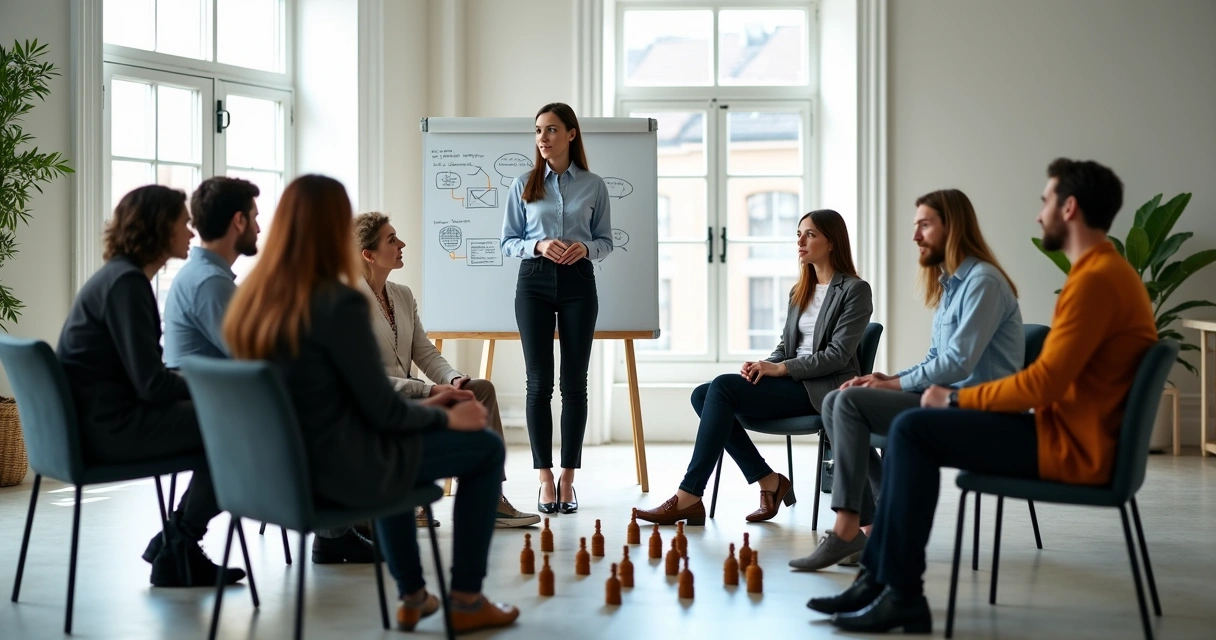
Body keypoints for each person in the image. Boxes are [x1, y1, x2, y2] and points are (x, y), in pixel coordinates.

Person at [815, 159, 1157, 633]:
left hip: (1073, 447)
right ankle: (883, 581)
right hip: (1068, 435)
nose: (1040, 215)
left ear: (1070, 207)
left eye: (1045, 202)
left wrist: (953, 402)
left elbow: (1043, 384)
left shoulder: (1094, 281)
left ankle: (899, 591)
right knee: (910, 427)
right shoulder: (1103, 273)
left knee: (912, 429)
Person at [224, 175, 518, 633]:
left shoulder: (250, 302)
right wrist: (447, 413)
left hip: (266, 475)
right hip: (339, 471)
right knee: (484, 449)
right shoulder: (338, 303)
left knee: (398, 453)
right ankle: (465, 598)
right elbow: (380, 410)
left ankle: (415, 596)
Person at [791, 188, 1023, 572]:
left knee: (845, 402)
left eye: (925, 225)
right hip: (942, 400)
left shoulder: (983, 283)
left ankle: (853, 530)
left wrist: (891, 386)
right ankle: (863, 526)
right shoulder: (952, 286)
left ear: (954, 228)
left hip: (978, 411)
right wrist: (889, 378)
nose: (915, 236)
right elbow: (936, 358)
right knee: (839, 398)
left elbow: (958, 363)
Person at [160, 176, 374, 564]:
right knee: (332, 408)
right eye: (256, 218)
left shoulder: (203, 276)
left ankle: (176, 540)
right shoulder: (211, 283)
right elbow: (255, 356)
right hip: (214, 407)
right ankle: (335, 529)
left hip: (208, 398)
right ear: (238, 222)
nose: (261, 228)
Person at [56, 185, 245, 587]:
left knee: (224, 424)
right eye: (183, 223)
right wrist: (211, 388)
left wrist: (194, 384)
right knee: (234, 427)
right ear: (160, 229)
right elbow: (151, 386)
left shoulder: (117, 278)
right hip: (109, 429)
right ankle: (178, 545)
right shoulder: (127, 285)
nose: (191, 233)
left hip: (95, 423)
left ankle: (175, 545)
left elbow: (146, 379)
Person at [634, 210, 872, 526]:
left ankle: (689, 496)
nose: (800, 241)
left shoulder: (854, 290)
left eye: (810, 234)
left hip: (822, 389)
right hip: (791, 382)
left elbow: (837, 356)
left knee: (720, 388)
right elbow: (786, 347)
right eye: (798, 234)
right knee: (702, 395)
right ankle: (768, 481)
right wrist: (765, 365)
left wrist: (781, 369)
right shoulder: (800, 290)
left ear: (832, 242)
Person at [353, 211, 541, 529]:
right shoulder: (350, 302)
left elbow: (425, 352)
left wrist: (453, 379)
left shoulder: (402, 294)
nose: (402, 243)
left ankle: (491, 499)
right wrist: (428, 390)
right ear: (368, 255)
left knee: (480, 389)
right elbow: (365, 379)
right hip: (382, 402)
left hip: (415, 395)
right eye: (391, 239)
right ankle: (410, 501)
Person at [501, 102, 612, 514]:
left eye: (550, 130)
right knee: (538, 383)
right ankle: (545, 478)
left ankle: (569, 477)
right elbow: (507, 241)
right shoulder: (523, 184)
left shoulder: (594, 184)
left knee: (574, 384)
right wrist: (539, 244)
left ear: (571, 134)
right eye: (537, 131)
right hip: (533, 282)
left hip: (579, 283)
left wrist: (586, 246)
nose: (542, 139)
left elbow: (606, 241)